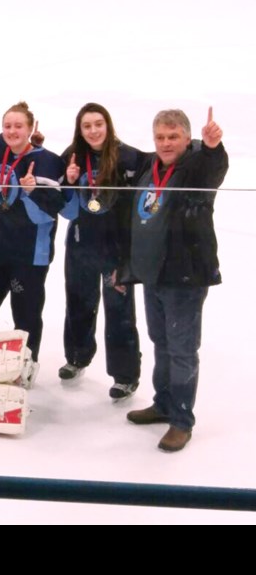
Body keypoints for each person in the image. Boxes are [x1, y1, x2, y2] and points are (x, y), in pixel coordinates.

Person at [124, 108, 227, 452]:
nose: (166, 143)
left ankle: (181, 420)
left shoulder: (196, 165)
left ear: (187, 138)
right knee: (160, 341)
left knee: (182, 349)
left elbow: (213, 170)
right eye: (161, 137)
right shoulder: (151, 167)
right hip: (154, 272)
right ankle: (163, 402)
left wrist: (213, 147)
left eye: (173, 137)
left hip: (185, 275)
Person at [58, 103, 146, 399]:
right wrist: (68, 182)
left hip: (115, 249)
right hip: (82, 244)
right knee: (79, 303)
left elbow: (163, 168)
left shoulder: (129, 156)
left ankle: (125, 375)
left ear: (108, 125)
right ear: (79, 130)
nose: (93, 130)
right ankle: (77, 357)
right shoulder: (71, 156)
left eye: (98, 124)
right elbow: (62, 205)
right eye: (87, 126)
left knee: (119, 311)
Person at [0, 102, 64, 363]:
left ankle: (26, 363)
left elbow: (52, 211)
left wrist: (32, 192)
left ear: (31, 128)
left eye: (18, 126)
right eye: (7, 126)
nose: (12, 132)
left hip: (31, 252)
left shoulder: (48, 161)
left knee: (26, 313)